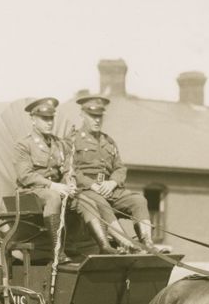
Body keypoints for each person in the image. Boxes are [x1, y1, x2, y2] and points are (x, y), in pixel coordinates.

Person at [13, 96, 119, 259]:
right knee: (53, 197)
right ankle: (58, 251)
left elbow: (68, 169)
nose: (49, 122)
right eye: (44, 118)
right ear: (33, 119)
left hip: (58, 190)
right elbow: (25, 175)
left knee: (86, 201)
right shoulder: (24, 145)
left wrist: (69, 183)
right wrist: (53, 186)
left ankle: (104, 245)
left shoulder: (60, 144)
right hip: (31, 192)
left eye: (51, 118)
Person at [68, 95, 160, 253]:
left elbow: (120, 168)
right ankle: (127, 243)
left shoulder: (108, 141)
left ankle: (148, 243)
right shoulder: (73, 140)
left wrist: (112, 183)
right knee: (100, 202)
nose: (97, 120)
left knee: (138, 200)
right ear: (82, 115)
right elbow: (71, 170)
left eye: (100, 116)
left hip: (109, 189)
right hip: (86, 191)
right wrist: (92, 185)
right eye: (92, 116)